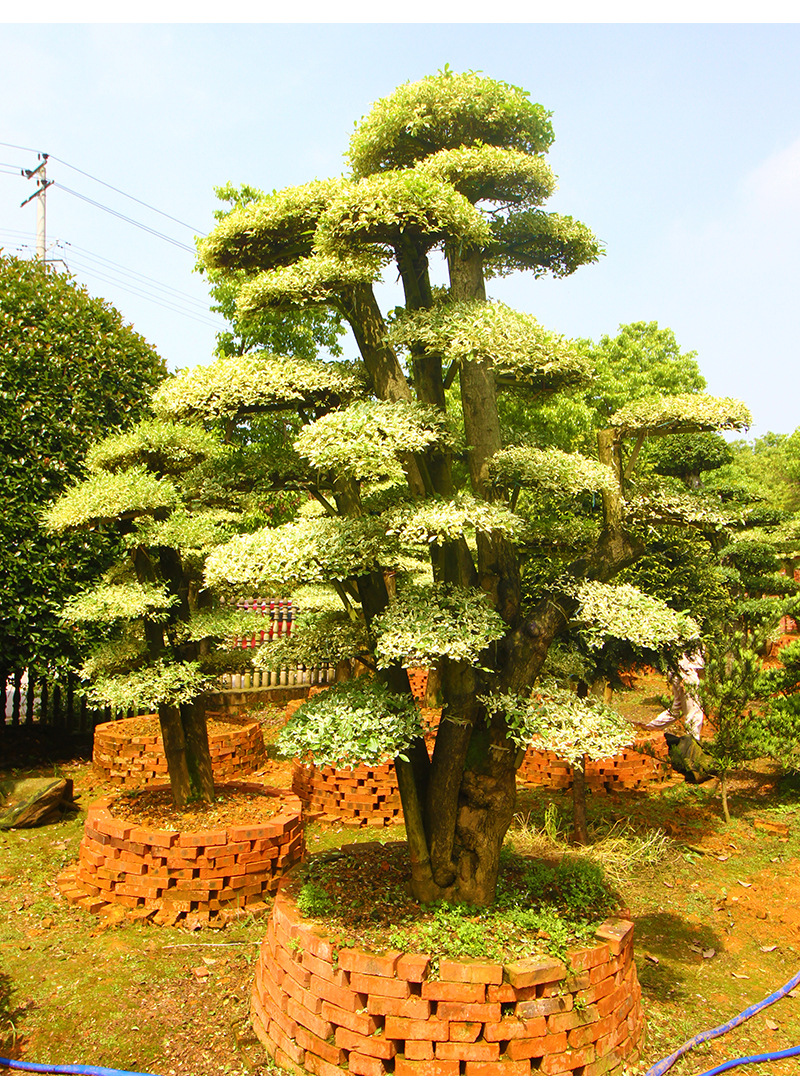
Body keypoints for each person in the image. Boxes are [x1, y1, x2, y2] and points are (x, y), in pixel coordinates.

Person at [644, 647, 705, 740]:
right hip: (685, 672)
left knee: (676, 710)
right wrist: (684, 676)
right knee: (694, 713)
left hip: (678, 671)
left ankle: (648, 728)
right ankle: (693, 745)